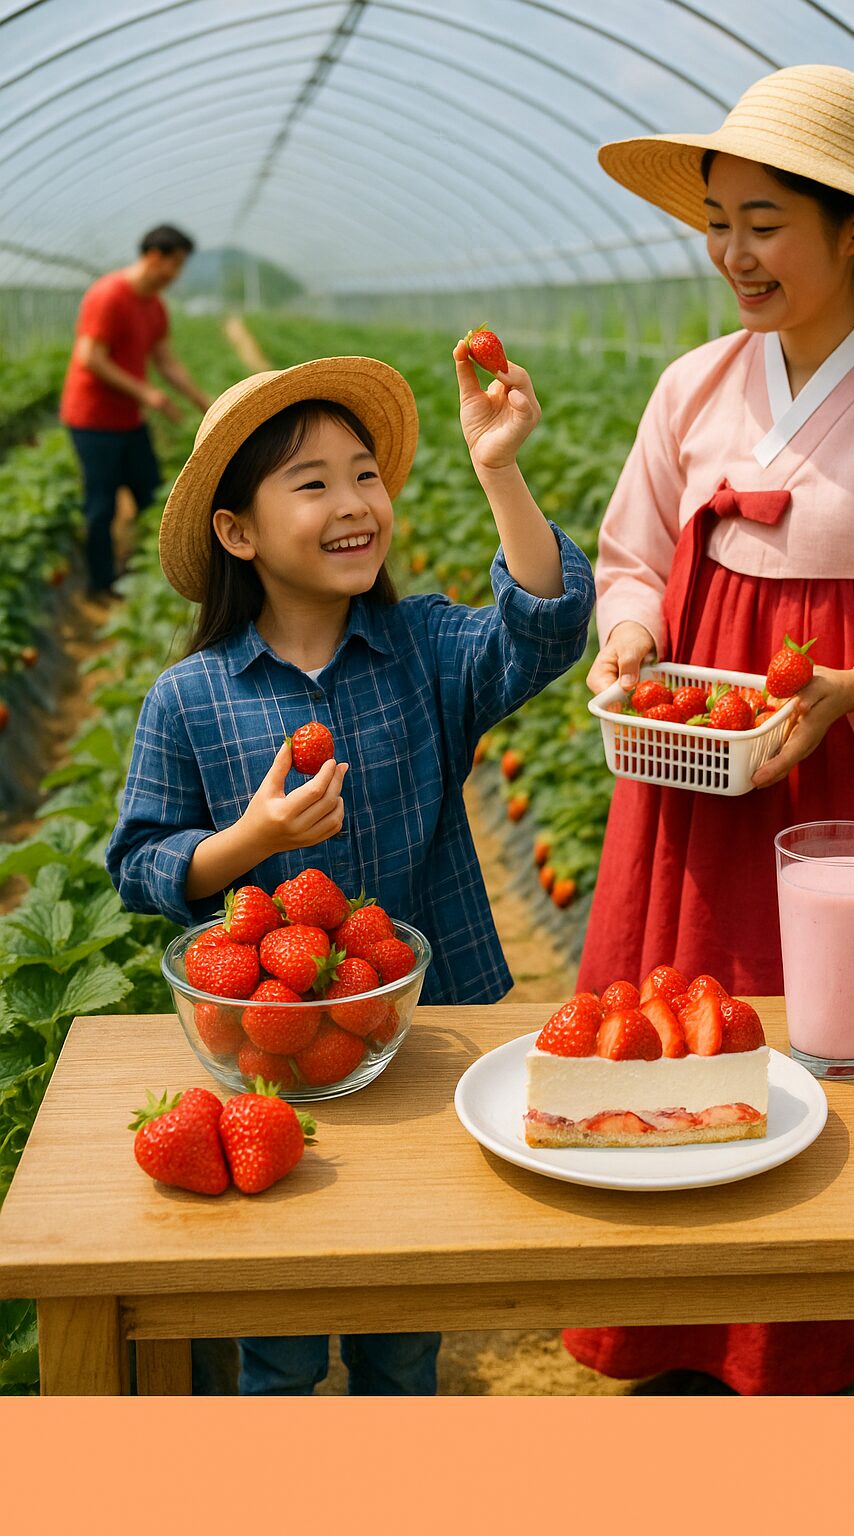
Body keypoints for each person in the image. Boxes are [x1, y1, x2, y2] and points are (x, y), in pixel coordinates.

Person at [568, 65, 854, 1394]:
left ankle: (853, 1331)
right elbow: (631, 557)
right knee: (686, 1026)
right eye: (718, 220)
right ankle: (684, 1331)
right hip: (699, 779)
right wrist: (634, 634)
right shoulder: (693, 389)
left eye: (763, 220)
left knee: (847, 1045)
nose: (731, 253)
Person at [106, 347, 595, 1394]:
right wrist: (249, 843)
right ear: (237, 532)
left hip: (425, 1042)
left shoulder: (422, 647)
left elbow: (545, 630)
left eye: (365, 474)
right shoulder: (189, 698)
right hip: (266, 1059)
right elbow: (142, 864)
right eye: (313, 482)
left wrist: (498, 468)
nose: (353, 502)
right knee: (276, 1340)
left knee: (401, 1326)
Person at [60, 223, 212, 597]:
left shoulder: (154, 306)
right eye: (174, 265)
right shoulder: (109, 295)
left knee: (152, 494)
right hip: (92, 419)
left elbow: (165, 359)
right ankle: (101, 582)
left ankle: (150, 574)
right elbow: (90, 357)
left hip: (129, 419)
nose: (176, 275)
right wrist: (146, 392)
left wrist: (203, 401)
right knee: (101, 504)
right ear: (153, 256)